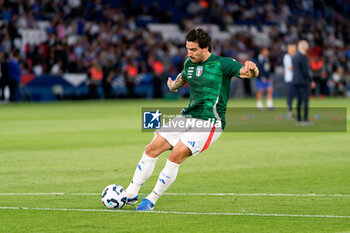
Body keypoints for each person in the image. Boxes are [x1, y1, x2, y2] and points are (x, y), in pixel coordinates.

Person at [124, 28, 259, 211]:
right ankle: (130, 194)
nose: (189, 53)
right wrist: (173, 85)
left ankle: (151, 199)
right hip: (187, 116)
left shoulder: (222, 64)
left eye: (193, 49)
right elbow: (181, 80)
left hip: (210, 122)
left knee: (175, 155)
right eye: (188, 49)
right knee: (151, 148)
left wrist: (253, 70)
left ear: (206, 48)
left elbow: (246, 73)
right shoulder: (189, 64)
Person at [292, 40, 313, 125]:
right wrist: (311, 80)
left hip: (295, 81)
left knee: (299, 101)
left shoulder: (295, 56)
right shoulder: (303, 57)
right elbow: (305, 71)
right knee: (305, 101)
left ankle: (299, 119)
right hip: (303, 81)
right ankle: (305, 119)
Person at [283, 43, 297, 119]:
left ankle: (294, 111)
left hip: (296, 79)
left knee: (296, 96)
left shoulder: (295, 57)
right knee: (290, 96)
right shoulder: (287, 57)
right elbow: (290, 68)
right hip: (289, 80)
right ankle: (290, 112)